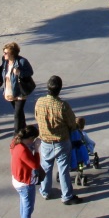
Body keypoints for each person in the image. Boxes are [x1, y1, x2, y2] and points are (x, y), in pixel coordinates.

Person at [35, 75, 83, 205]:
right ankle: (67, 196)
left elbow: (37, 117)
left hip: (45, 141)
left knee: (46, 167)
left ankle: (45, 191)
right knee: (63, 169)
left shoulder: (39, 102)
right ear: (59, 89)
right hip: (61, 142)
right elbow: (72, 123)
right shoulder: (63, 106)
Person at [10, 125, 43, 218]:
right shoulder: (23, 150)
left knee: (23, 206)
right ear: (30, 138)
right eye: (33, 139)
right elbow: (35, 165)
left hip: (17, 179)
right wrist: (37, 150)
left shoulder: (15, 142)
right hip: (25, 183)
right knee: (28, 209)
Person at [2, 42, 35, 132]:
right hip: (10, 90)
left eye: (6, 53)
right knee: (19, 112)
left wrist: (19, 72)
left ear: (12, 53)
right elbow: (3, 71)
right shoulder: (5, 61)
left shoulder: (22, 61)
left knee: (17, 114)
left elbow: (30, 72)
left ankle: (16, 134)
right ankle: (24, 127)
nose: (4, 54)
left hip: (20, 91)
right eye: (3, 52)